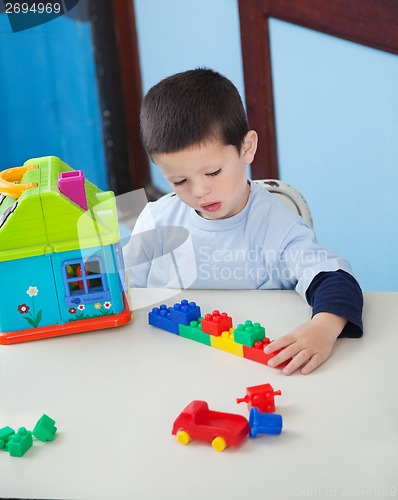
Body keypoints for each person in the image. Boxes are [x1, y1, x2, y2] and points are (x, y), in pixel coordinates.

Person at [123, 68, 363, 375]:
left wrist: (324, 327)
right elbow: (122, 290)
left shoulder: (276, 227)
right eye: (180, 180)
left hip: (252, 370)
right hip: (166, 370)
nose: (199, 191)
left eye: (212, 172)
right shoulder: (157, 222)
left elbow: (335, 278)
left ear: (246, 148)